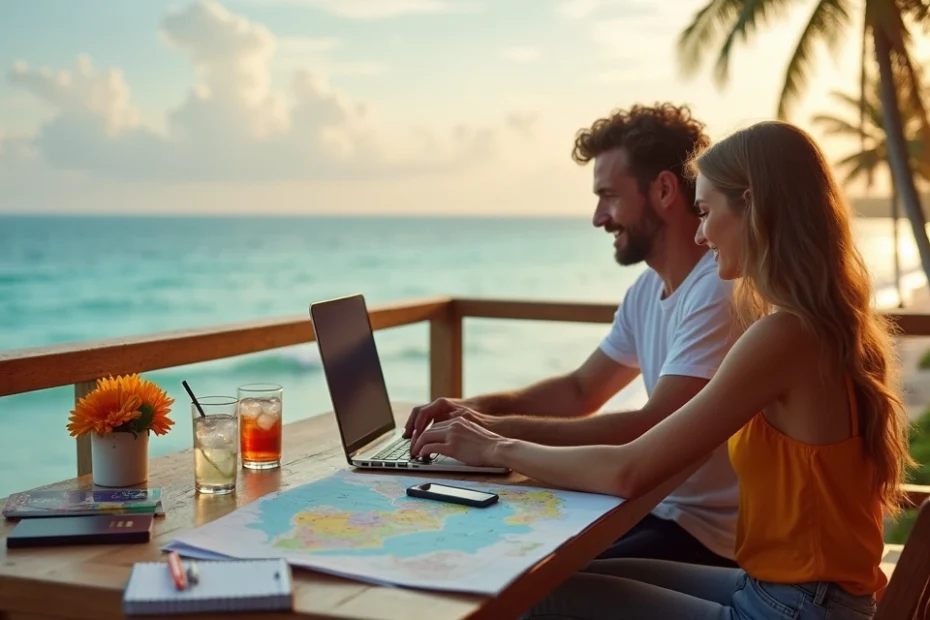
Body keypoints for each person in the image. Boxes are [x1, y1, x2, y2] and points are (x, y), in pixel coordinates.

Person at [411, 120, 914, 620]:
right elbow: (589, 397)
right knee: (558, 581)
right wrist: (483, 419)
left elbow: (629, 470)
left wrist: (495, 446)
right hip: (784, 589)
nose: (700, 233)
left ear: (753, 208)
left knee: (533, 598)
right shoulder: (815, 326)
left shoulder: (784, 335)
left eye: (707, 211)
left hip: (798, 607)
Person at [404, 102, 742, 568]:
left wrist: (492, 436)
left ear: (664, 189)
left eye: (609, 196)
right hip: (660, 511)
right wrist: (478, 408)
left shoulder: (718, 289)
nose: (599, 217)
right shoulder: (648, 289)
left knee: (532, 580)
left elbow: (651, 426)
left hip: (712, 539)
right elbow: (581, 389)